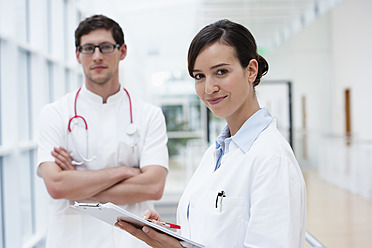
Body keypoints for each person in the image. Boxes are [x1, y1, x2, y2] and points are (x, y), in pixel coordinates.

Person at [115, 19, 306, 248]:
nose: (208, 89)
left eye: (221, 72)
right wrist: (171, 236)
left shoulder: (271, 159)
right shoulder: (217, 153)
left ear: (251, 71)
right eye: (199, 76)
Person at [37, 14, 169, 248]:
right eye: (88, 48)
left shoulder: (149, 115)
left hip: (131, 242)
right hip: (72, 241)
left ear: (123, 51)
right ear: (78, 55)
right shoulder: (55, 113)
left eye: (106, 47)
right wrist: (125, 171)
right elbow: (57, 186)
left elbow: (153, 187)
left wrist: (77, 184)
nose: (97, 56)